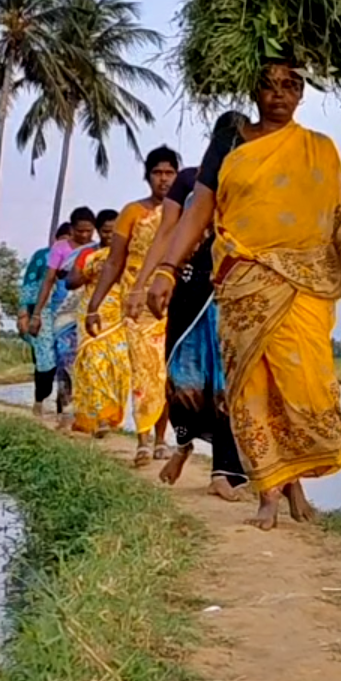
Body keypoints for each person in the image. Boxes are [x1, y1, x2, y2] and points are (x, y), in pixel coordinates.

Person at [147, 63, 341, 530]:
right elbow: (199, 212)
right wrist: (166, 269)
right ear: (252, 89)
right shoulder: (229, 143)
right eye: (268, 85)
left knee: (304, 389)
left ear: (302, 94)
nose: (278, 95)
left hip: (306, 286)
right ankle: (267, 492)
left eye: (289, 86)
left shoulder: (319, 150)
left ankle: (294, 482)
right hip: (244, 280)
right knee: (251, 388)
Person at [128, 164, 246, 501]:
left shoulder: (252, 174)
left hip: (232, 286)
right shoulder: (189, 180)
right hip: (190, 288)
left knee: (226, 380)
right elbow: (167, 233)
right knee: (183, 376)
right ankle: (182, 444)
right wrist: (141, 285)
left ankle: (224, 472)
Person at [87, 147, 179, 466]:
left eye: (169, 173)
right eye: (157, 172)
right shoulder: (132, 212)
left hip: (172, 299)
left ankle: (161, 439)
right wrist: (94, 305)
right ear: (148, 175)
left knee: (167, 373)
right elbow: (114, 260)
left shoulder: (184, 211)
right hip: (138, 303)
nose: (163, 179)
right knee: (143, 370)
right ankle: (142, 439)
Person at [30, 208, 96, 422]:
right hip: (62, 310)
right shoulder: (60, 248)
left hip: (87, 308)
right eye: (80, 231)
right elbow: (48, 280)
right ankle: (64, 408)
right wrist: (36, 313)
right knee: (65, 357)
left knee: (86, 360)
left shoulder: (95, 250)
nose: (84, 236)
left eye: (88, 231)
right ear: (72, 228)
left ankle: (86, 412)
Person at [68, 209, 127, 437]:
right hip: (92, 312)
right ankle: (97, 417)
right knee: (93, 362)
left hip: (118, 315)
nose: (110, 236)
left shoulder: (129, 252)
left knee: (117, 365)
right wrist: (92, 270)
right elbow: (71, 281)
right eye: (105, 232)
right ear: (98, 232)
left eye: (115, 232)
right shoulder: (88, 254)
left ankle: (111, 416)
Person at [21, 224, 71, 412]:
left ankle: (63, 408)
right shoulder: (42, 257)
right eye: (63, 238)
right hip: (43, 314)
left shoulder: (79, 258)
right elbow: (29, 284)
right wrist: (24, 313)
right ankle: (39, 401)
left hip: (68, 316)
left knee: (66, 362)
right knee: (45, 361)